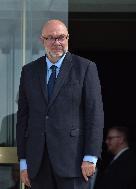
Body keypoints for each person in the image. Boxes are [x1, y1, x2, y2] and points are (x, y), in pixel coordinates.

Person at [16, 19, 104, 189]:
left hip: (74, 160)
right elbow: (23, 118)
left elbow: (94, 114)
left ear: (68, 39)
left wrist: (90, 156)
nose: (57, 43)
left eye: (61, 38)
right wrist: (24, 163)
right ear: (42, 40)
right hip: (38, 162)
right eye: (51, 38)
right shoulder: (29, 71)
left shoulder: (85, 67)